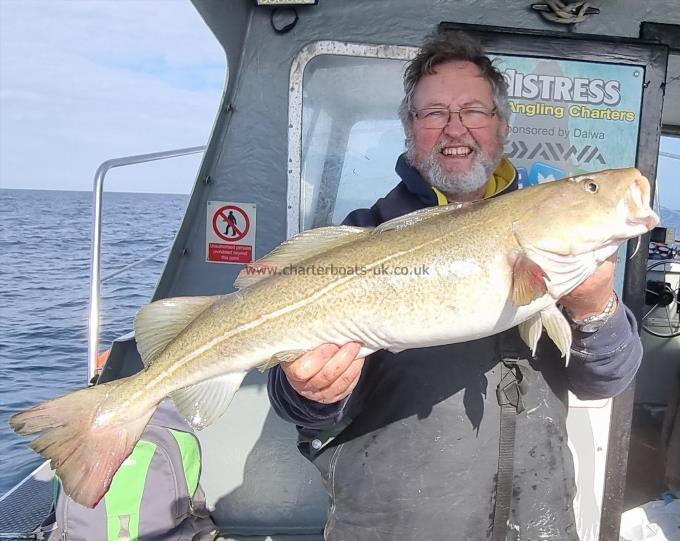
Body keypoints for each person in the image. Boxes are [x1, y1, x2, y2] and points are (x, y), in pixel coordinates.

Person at [268, 30, 643, 541]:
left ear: (502, 127)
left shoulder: (552, 235)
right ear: (409, 128)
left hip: (540, 518)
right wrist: (310, 393)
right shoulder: (359, 235)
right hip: (393, 525)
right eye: (434, 112)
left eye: (474, 110)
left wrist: (596, 307)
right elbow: (295, 407)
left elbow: (607, 380)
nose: (455, 127)